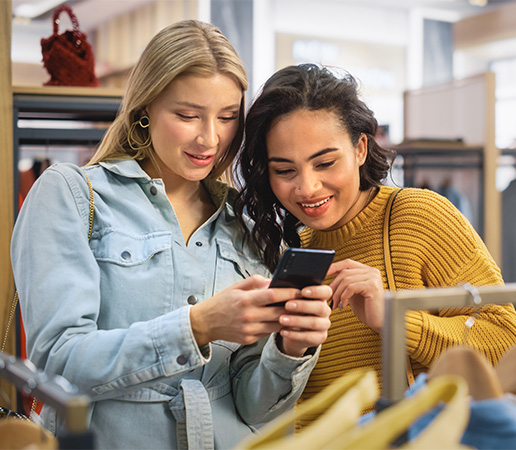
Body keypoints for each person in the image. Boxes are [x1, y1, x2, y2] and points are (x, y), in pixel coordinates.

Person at [10, 21, 331, 449]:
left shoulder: (245, 219)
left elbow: (255, 408)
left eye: (227, 117)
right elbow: (57, 364)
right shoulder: (71, 194)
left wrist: (290, 350)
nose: (210, 138)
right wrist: (196, 327)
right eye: (187, 115)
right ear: (145, 109)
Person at [236, 63, 516, 414]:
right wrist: (287, 350)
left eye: (325, 163)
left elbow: (508, 349)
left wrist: (396, 316)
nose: (307, 188)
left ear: (360, 149)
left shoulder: (418, 216)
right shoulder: (287, 248)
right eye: (284, 170)